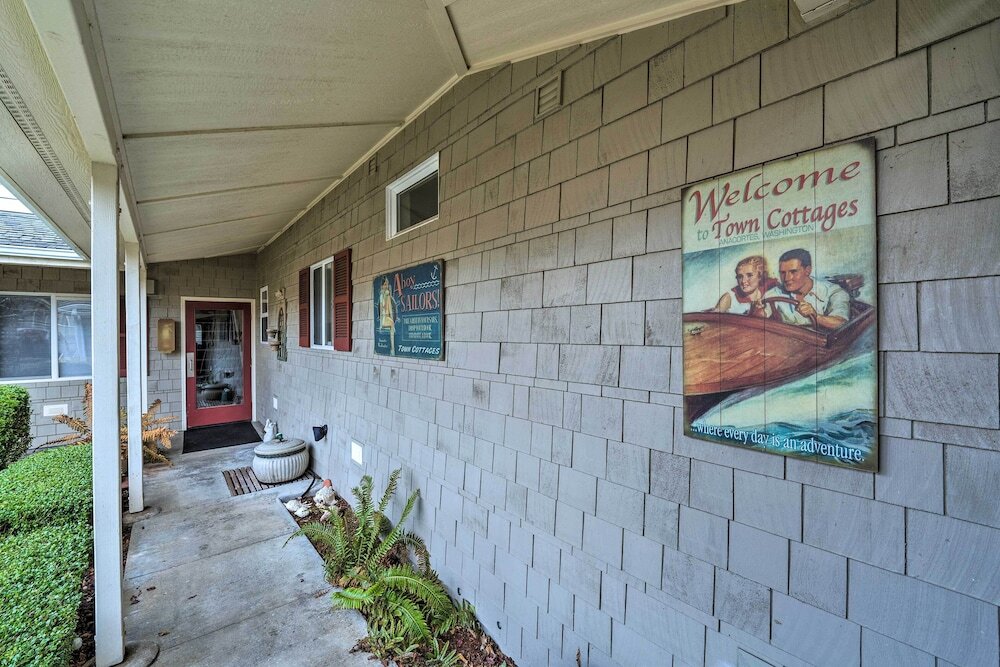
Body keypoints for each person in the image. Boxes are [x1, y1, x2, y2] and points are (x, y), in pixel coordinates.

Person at [764, 248, 849, 330]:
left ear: (807, 271)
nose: (786, 278)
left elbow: (842, 323)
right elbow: (761, 314)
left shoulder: (833, 291)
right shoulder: (774, 293)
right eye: (782, 273)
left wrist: (816, 316)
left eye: (793, 272)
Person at [378, 277, 396, 354]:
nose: (386, 286)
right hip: (384, 318)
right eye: (385, 284)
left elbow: (390, 309)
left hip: (385, 318)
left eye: (387, 284)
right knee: (391, 324)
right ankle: (392, 348)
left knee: (391, 324)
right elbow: (383, 310)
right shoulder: (383, 296)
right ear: (382, 286)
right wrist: (381, 324)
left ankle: (392, 348)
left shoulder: (385, 295)